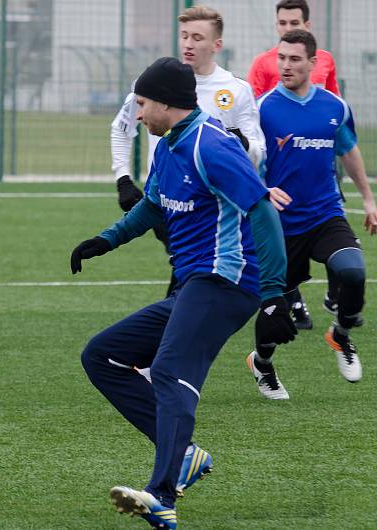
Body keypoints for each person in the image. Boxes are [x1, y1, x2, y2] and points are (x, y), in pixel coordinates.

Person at [75, 57, 295, 529]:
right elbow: (152, 208)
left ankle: (161, 494)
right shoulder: (169, 146)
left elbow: (262, 211)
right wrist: (105, 240)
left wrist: (275, 296)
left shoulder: (210, 145)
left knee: (171, 369)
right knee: (102, 355)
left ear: (165, 103)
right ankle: (186, 456)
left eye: (141, 104)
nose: (137, 115)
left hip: (227, 282)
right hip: (194, 283)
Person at [246, 30, 376, 399]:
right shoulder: (263, 108)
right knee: (276, 317)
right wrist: (262, 191)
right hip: (280, 225)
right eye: (281, 58)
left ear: (312, 63)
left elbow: (348, 151)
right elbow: (246, 159)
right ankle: (262, 363)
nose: (285, 65)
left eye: (294, 59)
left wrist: (368, 200)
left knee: (353, 271)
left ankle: (341, 334)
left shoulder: (335, 107)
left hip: (325, 215)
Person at [111, 5, 266, 296]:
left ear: (216, 45)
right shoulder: (155, 81)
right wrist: (123, 179)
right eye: (184, 36)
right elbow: (120, 129)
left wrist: (241, 143)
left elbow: (259, 151)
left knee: (191, 274)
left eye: (197, 37)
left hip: (215, 207)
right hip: (169, 198)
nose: (188, 44)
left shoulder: (236, 90)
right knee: (190, 273)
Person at [248, 0, 342, 330]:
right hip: (277, 160)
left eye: (293, 22)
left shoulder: (325, 60)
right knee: (286, 235)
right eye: (282, 23)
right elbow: (254, 113)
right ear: (276, 25)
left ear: (307, 23)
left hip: (318, 157)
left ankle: (336, 289)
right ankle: (293, 297)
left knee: (332, 215)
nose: (287, 28)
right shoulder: (263, 63)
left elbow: (332, 104)